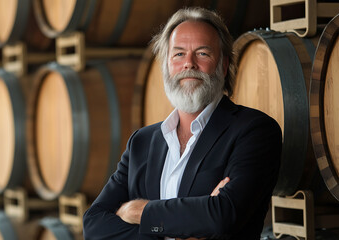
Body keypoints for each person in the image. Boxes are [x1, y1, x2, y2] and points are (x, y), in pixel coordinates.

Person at [83, 7, 282, 240]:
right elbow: (94, 225)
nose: (189, 63)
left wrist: (136, 211)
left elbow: (222, 216)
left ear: (224, 65)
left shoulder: (254, 131)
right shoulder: (142, 142)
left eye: (203, 53)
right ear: (166, 65)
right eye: (178, 54)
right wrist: (187, 224)